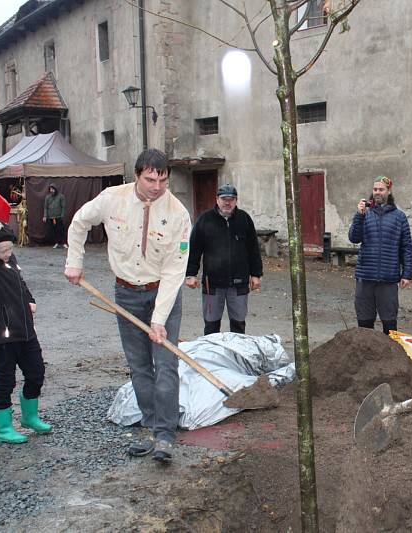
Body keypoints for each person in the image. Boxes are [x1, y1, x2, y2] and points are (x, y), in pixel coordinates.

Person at [64, 149, 191, 464]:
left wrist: (159, 320)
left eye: (162, 180)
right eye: (150, 179)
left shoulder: (178, 214)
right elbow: (80, 222)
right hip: (126, 295)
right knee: (138, 365)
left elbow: (175, 270)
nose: (156, 186)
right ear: (137, 175)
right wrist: (74, 262)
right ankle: (149, 425)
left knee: (165, 364)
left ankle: (165, 435)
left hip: (163, 293)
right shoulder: (112, 199)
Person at [0, 221, 51, 444]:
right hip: (2, 334)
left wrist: (30, 300)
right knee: (5, 380)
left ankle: (29, 416)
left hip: (25, 330)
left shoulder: (11, 261)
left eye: (10, 249)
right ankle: (3, 429)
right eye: (3, 250)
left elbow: (21, 284)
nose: (8, 254)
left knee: (36, 372)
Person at [185, 184, 263, 335]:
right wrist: (190, 274)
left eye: (231, 199)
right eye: (224, 199)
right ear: (217, 199)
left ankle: (236, 356)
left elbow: (253, 249)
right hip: (212, 284)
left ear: (236, 200)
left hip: (239, 283)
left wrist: (256, 274)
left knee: (239, 324)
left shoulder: (244, 219)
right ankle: (212, 355)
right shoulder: (205, 220)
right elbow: (194, 249)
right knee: (211, 325)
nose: (227, 202)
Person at [349, 176, 412, 334]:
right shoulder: (365, 214)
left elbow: (406, 247)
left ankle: (391, 358)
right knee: (364, 325)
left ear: (389, 191)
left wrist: (407, 274)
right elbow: (354, 238)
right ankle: (366, 357)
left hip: (388, 278)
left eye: (381, 189)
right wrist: (359, 215)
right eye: (375, 189)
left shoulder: (399, 217)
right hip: (365, 277)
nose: (377, 192)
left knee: (389, 325)